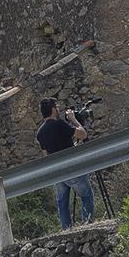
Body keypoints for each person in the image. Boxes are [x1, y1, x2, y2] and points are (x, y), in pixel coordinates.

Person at [35, 97, 94, 228]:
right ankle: (87, 225)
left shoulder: (40, 133)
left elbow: (46, 155)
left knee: (62, 203)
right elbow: (82, 134)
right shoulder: (59, 124)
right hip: (71, 168)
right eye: (56, 107)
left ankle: (66, 230)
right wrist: (74, 119)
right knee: (87, 196)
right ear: (53, 109)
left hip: (57, 172)